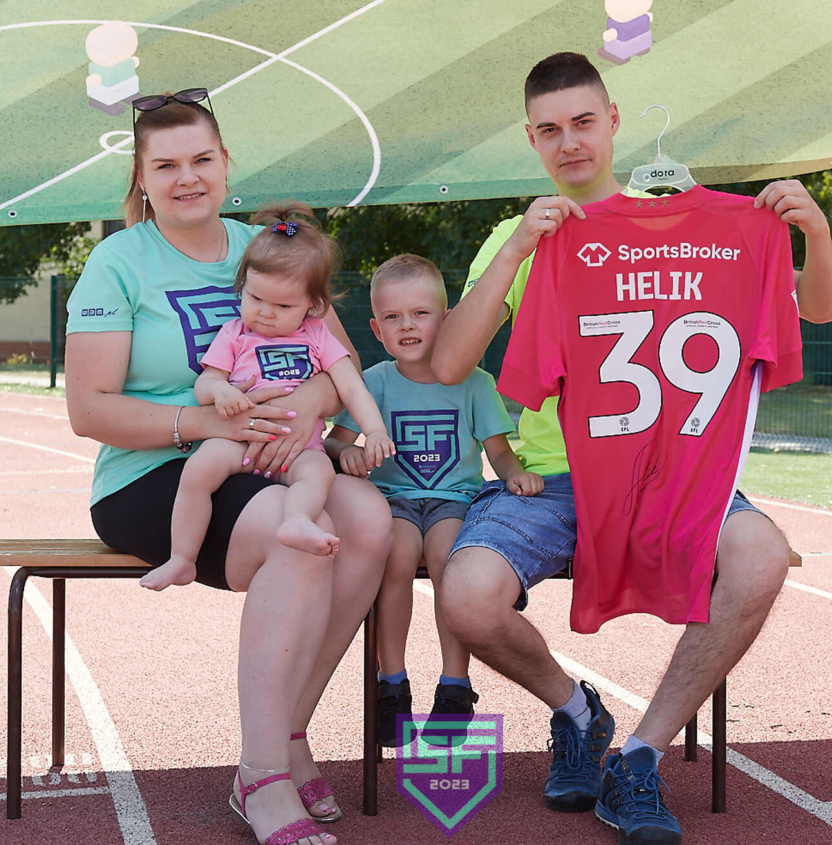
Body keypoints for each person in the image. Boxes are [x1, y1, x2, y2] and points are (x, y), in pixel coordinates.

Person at [431, 52, 832, 844]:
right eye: (550, 129)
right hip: (555, 479)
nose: (570, 142)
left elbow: (818, 311)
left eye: (584, 122)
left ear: (614, 121)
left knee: (761, 553)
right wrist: (516, 251)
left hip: (673, 473)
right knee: (466, 594)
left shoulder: (707, 231)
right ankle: (577, 712)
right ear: (531, 139)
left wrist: (815, 232)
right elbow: (450, 362)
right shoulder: (523, 237)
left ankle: (640, 756)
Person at [66, 90, 392, 845]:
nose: (187, 178)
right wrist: (212, 422)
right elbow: (89, 410)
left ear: (225, 163)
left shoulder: (271, 247)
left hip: (271, 455)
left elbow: (339, 364)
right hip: (157, 474)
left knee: (370, 520)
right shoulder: (118, 262)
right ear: (141, 177)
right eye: (166, 165)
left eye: (201, 159)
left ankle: (288, 734)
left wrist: (306, 406)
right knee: (291, 531)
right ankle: (263, 777)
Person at [324, 254, 542, 746]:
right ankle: (392, 684)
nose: (407, 325)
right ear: (377, 330)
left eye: (420, 313)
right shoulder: (373, 381)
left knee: (448, 556)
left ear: (446, 319)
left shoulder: (475, 382)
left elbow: (499, 451)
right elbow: (334, 441)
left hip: (454, 500)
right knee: (396, 555)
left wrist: (515, 475)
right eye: (393, 317)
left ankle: (454, 686)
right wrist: (348, 453)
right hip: (395, 501)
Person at [140, 202, 394, 591]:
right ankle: (182, 558)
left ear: (313, 305)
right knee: (197, 471)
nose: (265, 313)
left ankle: (297, 520)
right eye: (255, 298)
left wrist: (374, 430)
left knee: (319, 473)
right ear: (243, 287)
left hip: (298, 450)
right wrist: (221, 391)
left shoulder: (317, 335)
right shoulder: (235, 333)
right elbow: (206, 382)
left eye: (283, 305)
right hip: (239, 442)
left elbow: (351, 386)